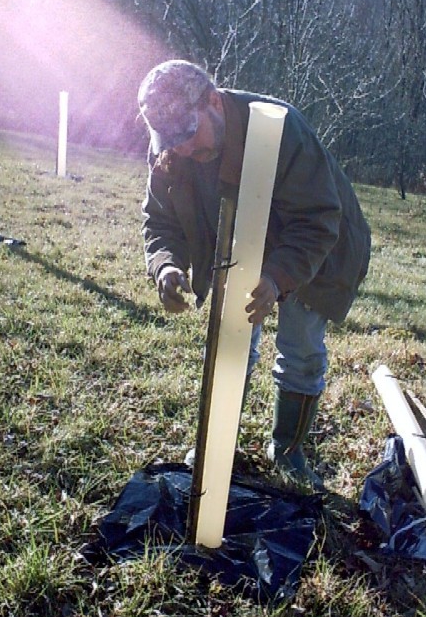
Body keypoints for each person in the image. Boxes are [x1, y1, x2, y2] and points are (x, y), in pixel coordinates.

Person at [138, 59, 371, 489]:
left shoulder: (280, 129)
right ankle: (217, 441)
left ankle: (288, 450)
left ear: (213, 102)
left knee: (301, 349)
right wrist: (165, 265)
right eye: (170, 140)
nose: (182, 149)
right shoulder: (173, 149)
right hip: (240, 243)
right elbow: (160, 220)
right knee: (231, 341)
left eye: (188, 134)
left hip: (315, 246)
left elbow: (318, 218)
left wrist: (278, 277)